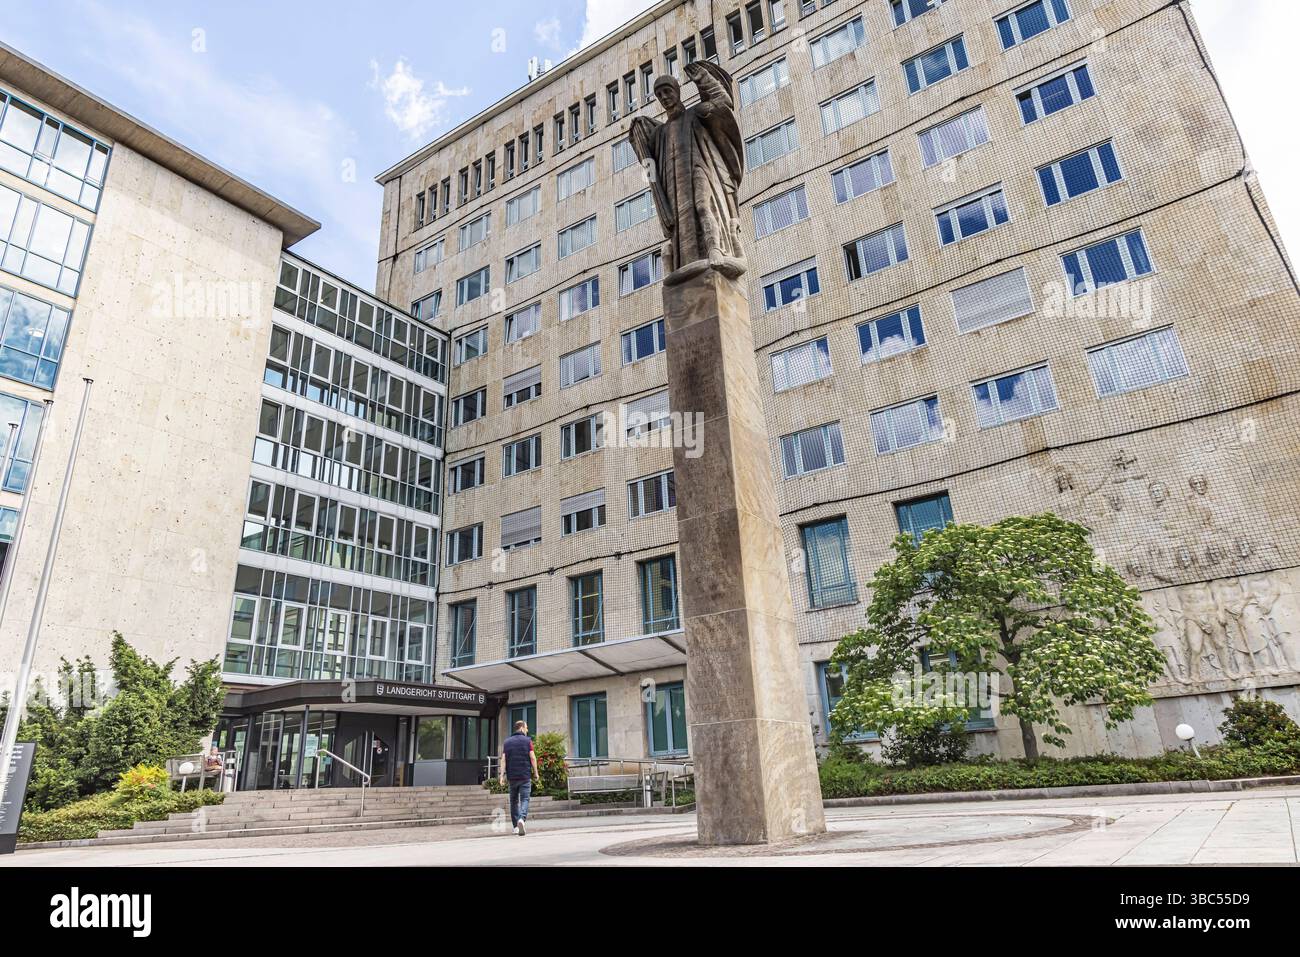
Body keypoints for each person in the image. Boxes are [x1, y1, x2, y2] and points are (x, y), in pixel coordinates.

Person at [499, 720, 540, 836]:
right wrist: (536, 772)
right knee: (525, 799)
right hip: (525, 776)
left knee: (513, 801)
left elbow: (503, 760)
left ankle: (516, 827)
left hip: (512, 777)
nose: (527, 730)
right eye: (526, 728)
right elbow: (532, 757)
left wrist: (501, 776)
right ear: (522, 728)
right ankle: (522, 819)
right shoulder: (527, 741)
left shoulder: (507, 742)